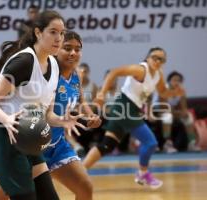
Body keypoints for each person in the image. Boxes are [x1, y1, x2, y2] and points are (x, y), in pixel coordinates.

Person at [0, 10, 85, 200]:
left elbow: (48, 114)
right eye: (53, 32)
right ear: (38, 33)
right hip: (2, 134)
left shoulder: (54, 65)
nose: (58, 38)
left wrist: (62, 120)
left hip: (29, 138)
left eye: (61, 33)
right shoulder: (25, 61)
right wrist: (7, 120)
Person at [82, 47, 184, 189]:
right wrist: (101, 93)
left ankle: (79, 171)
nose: (157, 60)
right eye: (154, 57)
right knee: (150, 143)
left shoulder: (158, 75)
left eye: (161, 59)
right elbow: (114, 72)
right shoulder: (141, 70)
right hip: (125, 107)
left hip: (129, 109)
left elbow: (163, 92)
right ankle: (143, 173)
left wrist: (175, 92)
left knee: (107, 144)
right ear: (147, 58)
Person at [43, 30, 101, 200]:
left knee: (85, 187)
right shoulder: (47, 73)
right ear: (56, 49)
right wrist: (63, 120)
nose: (73, 53)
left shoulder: (77, 74)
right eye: (67, 48)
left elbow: (80, 102)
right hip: (32, 145)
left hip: (57, 144)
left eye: (78, 49)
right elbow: (47, 114)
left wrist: (91, 116)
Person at [157, 71, 200, 152]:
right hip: (158, 111)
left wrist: (184, 113)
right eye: (174, 80)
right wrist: (178, 112)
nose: (176, 82)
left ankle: (192, 143)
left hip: (174, 112)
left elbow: (184, 108)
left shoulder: (181, 91)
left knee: (188, 117)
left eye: (179, 80)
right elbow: (164, 108)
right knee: (167, 117)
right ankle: (167, 144)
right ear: (169, 81)